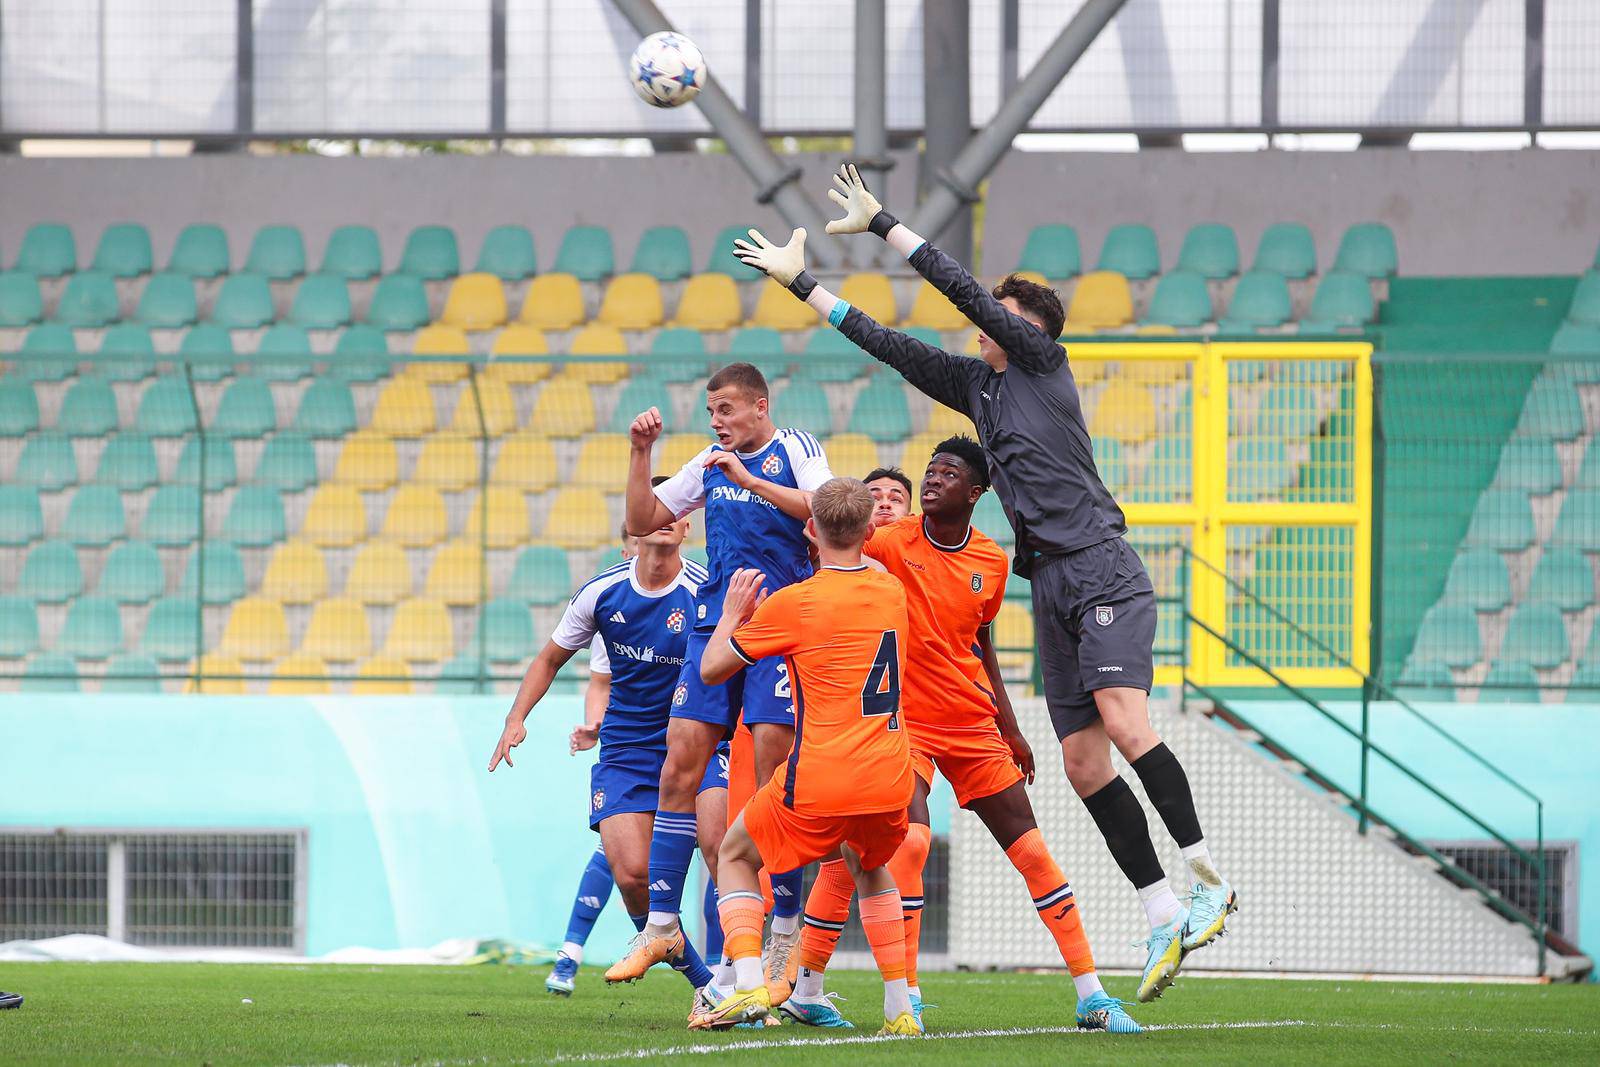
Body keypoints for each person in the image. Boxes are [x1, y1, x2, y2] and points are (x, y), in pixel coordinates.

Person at [732, 164, 1237, 1004]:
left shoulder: (1042, 364)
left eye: (1001, 315)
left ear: (1029, 326)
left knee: (1121, 719)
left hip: (1101, 564)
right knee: (1081, 762)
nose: (983, 326)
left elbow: (965, 293)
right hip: (1053, 586)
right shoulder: (980, 389)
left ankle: (1206, 875)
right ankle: (1160, 910)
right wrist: (803, 284)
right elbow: (886, 343)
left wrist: (888, 224)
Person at [785, 438, 1140, 1034]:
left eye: (948, 473)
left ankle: (1093, 995)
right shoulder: (892, 541)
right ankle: (908, 997)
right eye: (930, 471)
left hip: (973, 724)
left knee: (1032, 853)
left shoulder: (991, 561)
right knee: (909, 846)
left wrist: (1011, 726)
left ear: (975, 493)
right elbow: (824, 533)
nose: (933, 480)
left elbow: (982, 643)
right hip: (905, 727)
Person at [608, 364, 833, 1005]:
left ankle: (781, 929)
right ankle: (659, 925)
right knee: (681, 756)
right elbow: (642, 519)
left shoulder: (795, 447)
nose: (717, 421)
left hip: (782, 624)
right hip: (716, 622)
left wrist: (752, 481)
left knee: (772, 773)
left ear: (759, 406)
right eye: (711, 411)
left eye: (726, 409)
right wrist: (641, 452)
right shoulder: (708, 462)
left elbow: (823, 514)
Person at [695, 477, 921, 1035]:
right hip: (892, 773)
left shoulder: (795, 603)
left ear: (810, 529)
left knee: (735, 853)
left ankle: (748, 988)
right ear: (871, 531)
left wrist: (732, 614)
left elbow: (711, 669)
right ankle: (900, 1010)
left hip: (823, 773)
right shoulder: (893, 590)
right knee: (869, 867)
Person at [488, 500, 727, 1015]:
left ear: (687, 526)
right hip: (628, 749)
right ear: (636, 528)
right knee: (632, 875)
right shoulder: (602, 591)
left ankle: (739, 975)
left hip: (698, 742)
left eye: (676, 511)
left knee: (719, 850)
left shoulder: (705, 589)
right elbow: (550, 658)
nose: (665, 518)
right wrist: (515, 719)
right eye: (654, 510)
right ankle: (704, 981)